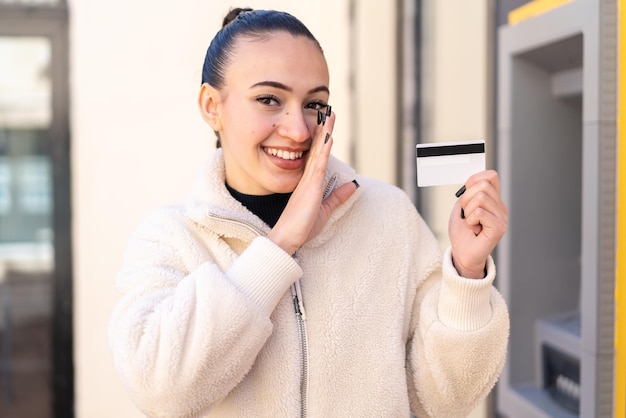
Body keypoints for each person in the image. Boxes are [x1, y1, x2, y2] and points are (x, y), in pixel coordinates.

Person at [108, 7, 509, 418]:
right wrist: (279, 247)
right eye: (269, 99)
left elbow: (443, 401)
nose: (299, 131)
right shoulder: (170, 237)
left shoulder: (389, 216)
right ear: (212, 105)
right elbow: (159, 393)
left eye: (315, 104)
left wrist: (467, 274)